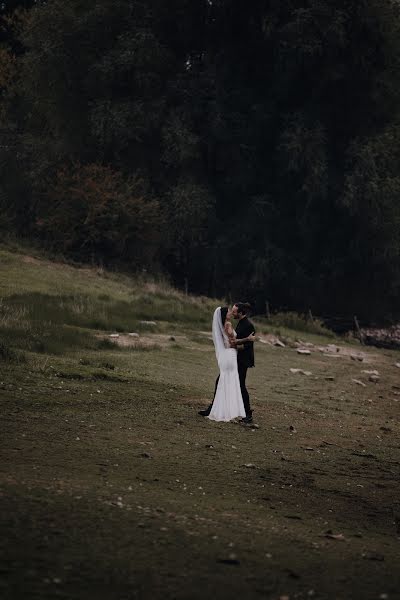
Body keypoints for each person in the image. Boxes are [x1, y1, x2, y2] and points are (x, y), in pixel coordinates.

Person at [199, 303, 256, 423]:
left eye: (235, 311)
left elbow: (247, 346)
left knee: (240, 385)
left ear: (241, 313)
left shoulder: (248, 325)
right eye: (232, 311)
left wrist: (237, 346)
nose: (233, 313)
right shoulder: (239, 323)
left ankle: (247, 413)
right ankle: (214, 408)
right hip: (233, 357)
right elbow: (232, 341)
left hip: (242, 360)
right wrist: (234, 347)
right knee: (222, 381)